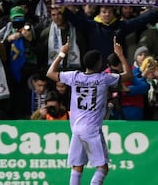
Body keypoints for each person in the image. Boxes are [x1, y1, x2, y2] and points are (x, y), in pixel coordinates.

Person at [46, 37, 132, 185]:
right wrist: (121, 55)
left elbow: (50, 73)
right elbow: (128, 76)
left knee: (77, 167)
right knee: (102, 167)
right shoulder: (104, 78)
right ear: (98, 63)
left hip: (76, 129)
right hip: (92, 129)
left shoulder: (74, 76)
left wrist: (62, 54)